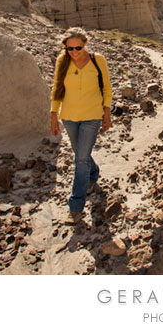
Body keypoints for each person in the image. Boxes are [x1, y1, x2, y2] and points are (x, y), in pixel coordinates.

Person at [50, 28, 112, 223]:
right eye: (70, 48)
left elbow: (107, 87)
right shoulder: (62, 61)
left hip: (92, 116)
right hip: (69, 116)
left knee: (80, 160)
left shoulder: (97, 59)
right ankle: (93, 174)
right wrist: (54, 115)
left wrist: (107, 112)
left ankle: (75, 207)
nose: (74, 52)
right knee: (80, 154)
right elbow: (56, 89)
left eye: (78, 47)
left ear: (85, 44)